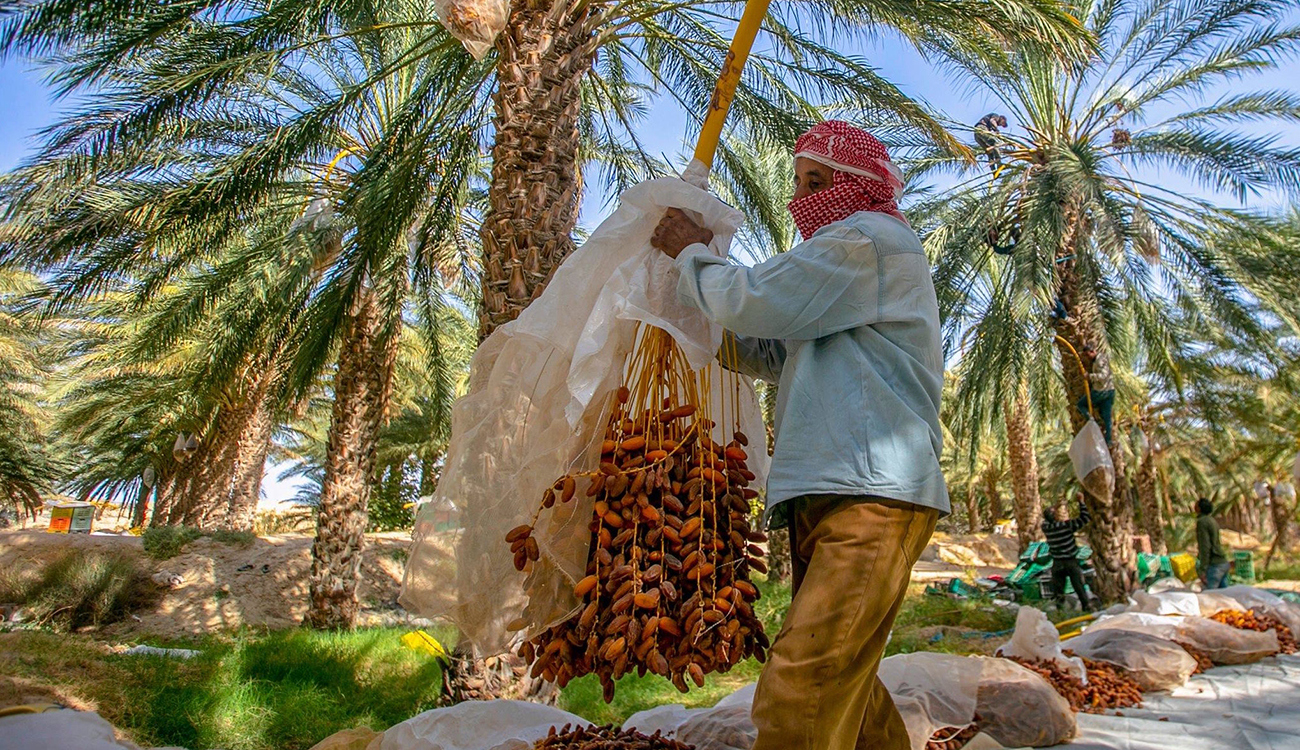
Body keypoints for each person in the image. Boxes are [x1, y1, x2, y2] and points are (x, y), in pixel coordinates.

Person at [650, 120, 948, 750]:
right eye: (799, 184)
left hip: (871, 493)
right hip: (834, 489)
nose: (804, 198)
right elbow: (767, 344)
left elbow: (754, 298)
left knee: (802, 682)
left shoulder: (866, 239)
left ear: (860, 184)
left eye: (819, 181)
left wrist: (693, 256)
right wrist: (680, 313)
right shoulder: (838, 278)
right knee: (846, 682)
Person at [1041, 494, 1095, 611]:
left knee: (1059, 591)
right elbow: (1085, 518)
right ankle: (1087, 608)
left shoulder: (1046, 528)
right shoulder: (1066, 526)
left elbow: (1047, 519)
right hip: (1070, 561)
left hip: (1057, 563)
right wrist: (1081, 502)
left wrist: (1053, 509)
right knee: (1079, 587)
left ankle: (1059, 612)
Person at [1077, 342, 1115, 443]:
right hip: (1109, 391)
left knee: (1080, 404)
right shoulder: (1100, 359)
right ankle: (1108, 441)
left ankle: (1092, 420)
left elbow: (1103, 376)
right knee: (1107, 417)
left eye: (1087, 354)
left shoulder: (1099, 361)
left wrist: (1089, 376)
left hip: (1101, 392)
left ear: (1093, 351)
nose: (1087, 357)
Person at [1196, 497, 1230, 589]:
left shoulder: (1202, 522)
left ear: (1199, 508)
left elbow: (1205, 547)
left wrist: (1203, 569)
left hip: (1214, 565)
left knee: (1210, 597)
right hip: (1222, 562)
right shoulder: (1212, 520)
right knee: (1224, 596)